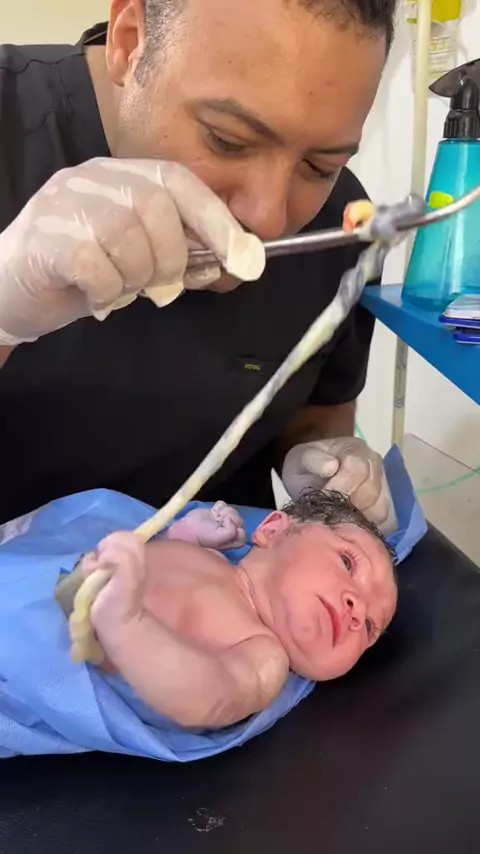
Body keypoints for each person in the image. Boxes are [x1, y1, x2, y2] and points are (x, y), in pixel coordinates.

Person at [0, 0, 397, 530]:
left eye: (318, 165)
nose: (268, 217)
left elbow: (315, 408)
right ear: (130, 39)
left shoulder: (340, 227)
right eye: (228, 140)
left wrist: (325, 464)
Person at [57, 491, 397, 728]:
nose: (357, 609)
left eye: (370, 627)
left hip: (61, 664)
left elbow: (204, 696)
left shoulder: (263, 657)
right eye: (347, 562)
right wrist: (182, 535)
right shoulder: (212, 558)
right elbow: (163, 569)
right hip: (47, 579)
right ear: (273, 530)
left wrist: (125, 623)